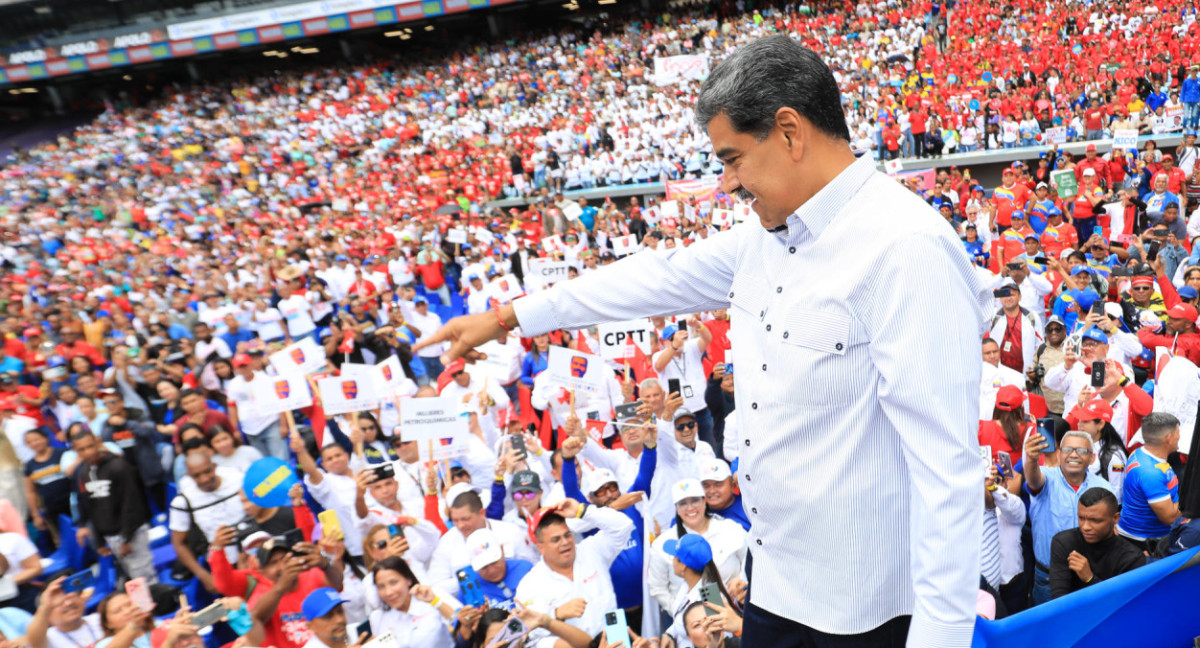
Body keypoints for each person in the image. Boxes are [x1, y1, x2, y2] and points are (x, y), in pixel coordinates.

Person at [420, 35, 989, 646]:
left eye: (733, 158)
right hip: (775, 588)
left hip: (865, 613)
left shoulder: (905, 249)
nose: (726, 184)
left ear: (790, 133)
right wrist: (508, 316)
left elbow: (946, 473)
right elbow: (652, 278)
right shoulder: (764, 240)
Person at [514, 498, 635, 646]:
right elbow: (532, 633)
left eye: (567, 535)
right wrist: (556, 614)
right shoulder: (530, 584)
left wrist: (583, 511)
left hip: (615, 642)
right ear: (540, 547)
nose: (565, 542)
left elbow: (623, 525)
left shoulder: (591, 550)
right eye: (556, 539)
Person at [1023, 429, 1115, 605]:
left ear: (1092, 458)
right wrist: (1032, 460)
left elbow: (1110, 528)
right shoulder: (1046, 478)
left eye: (1081, 451)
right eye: (1067, 449)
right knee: (1050, 630)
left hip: (1089, 576)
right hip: (1048, 579)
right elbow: (1033, 481)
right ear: (1058, 454)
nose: (1074, 455)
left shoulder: (1104, 487)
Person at [69, 429, 156, 582]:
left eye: (90, 446)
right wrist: (99, 541)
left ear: (98, 443)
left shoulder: (119, 467)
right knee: (132, 577)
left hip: (131, 533)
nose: (87, 452)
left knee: (144, 578)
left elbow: (132, 504)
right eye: (81, 449)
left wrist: (126, 539)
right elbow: (90, 507)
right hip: (110, 535)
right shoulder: (83, 472)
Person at [169, 453, 246, 594]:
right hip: (224, 566)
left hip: (253, 554)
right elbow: (179, 543)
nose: (205, 479)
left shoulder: (238, 480)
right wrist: (204, 576)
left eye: (207, 471)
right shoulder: (183, 501)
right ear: (189, 476)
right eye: (197, 475)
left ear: (214, 466)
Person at [1048, 488, 1145, 599]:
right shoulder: (1064, 542)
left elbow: (1122, 603)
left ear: (1115, 518)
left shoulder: (1132, 558)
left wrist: (1090, 578)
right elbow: (1059, 599)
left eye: (1095, 520)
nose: (1085, 527)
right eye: (1081, 518)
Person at [1117, 412, 1182, 550]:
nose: (1180, 437)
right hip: (1144, 542)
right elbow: (1169, 518)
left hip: (1142, 536)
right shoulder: (1150, 473)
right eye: (1178, 433)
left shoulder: (1141, 451)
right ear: (1169, 438)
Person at [366, 558, 455, 648]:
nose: (388, 592)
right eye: (381, 586)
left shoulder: (431, 595)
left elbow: (462, 623)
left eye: (394, 583)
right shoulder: (377, 617)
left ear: (408, 580)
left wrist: (435, 602)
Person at [24, 576, 104, 648]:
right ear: (47, 615)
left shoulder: (99, 619)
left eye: (70, 597)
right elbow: (34, 643)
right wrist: (45, 606)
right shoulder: (48, 637)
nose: (68, 603)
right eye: (60, 603)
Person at [462, 528, 533, 610]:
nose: (491, 571)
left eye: (494, 562)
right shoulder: (469, 587)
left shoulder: (526, 569)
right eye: (484, 567)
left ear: (502, 550)